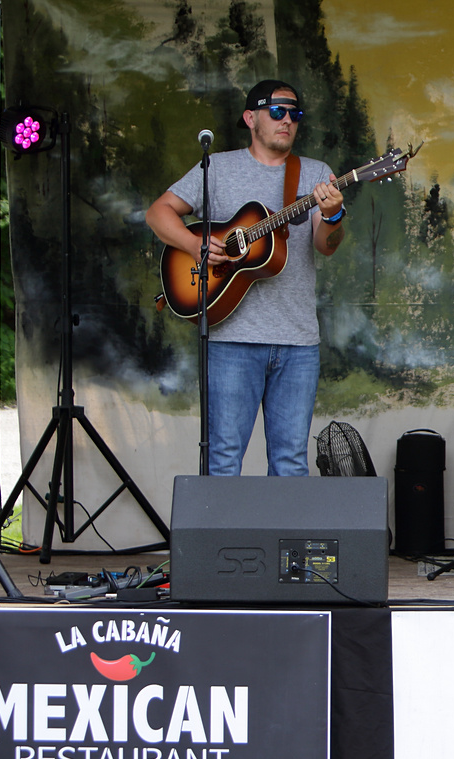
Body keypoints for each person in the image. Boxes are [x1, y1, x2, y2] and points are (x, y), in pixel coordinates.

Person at [146, 79, 345, 476]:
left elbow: (326, 245)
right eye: (277, 111)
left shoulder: (316, 174)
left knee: (291, 463)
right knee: (223, 460)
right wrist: (193, 244)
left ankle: (281, 524)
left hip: (297, 341)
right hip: (231, 340)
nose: (287, 121)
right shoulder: (218, 168)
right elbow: (158, 212)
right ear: (251, 118)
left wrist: (334, 215)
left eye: (295, 114)